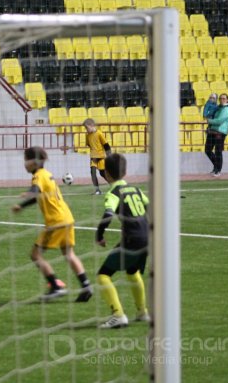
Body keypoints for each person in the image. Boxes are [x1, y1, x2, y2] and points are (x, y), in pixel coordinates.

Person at [12, 146, 92, 302]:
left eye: (26, 160)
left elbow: (35, 191)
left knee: (35, 255)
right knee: (69, 254)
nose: (24, 164)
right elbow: (38, 197)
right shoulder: (48, 175)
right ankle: (86, 286)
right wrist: (21, 206)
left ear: (33, 162)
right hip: (67, 218)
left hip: (56, 222)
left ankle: (55, 286)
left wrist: (27, 193)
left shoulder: (38, 176)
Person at [94, 153, 150, 329]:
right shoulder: (136, 190)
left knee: (103, 275)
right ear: (125, 172)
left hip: (132, 239)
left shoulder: (113, 192)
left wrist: (99, 235)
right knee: (133, 272)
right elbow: (148, 207)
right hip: (147, 237)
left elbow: (108, 214)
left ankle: (118, 315)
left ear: (107, 174)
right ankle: (142, 312)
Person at [79, 118, 112, 195]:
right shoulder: (87, 136)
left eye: (87, 128)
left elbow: (106, 146)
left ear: (92, 125)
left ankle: (114, 186)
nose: (86, 129)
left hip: (101, 157)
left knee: (103, 173)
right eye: (85, 128)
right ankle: (97, 190)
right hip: (93, 157)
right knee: (92, 172)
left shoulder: (99, 133)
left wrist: (109, 157)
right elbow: (89, 144)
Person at [204, 93, 228, 177]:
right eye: (220, 98)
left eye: (224, 98)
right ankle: (216, 167)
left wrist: (209, 121)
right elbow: (213, 117)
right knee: (207, 150)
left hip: (220, 132)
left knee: (218, 151)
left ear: (227, 100)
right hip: (212, 131)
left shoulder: (227, 109)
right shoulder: (218, 108)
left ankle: (218, 170)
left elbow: (220, 120)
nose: (222, 100)